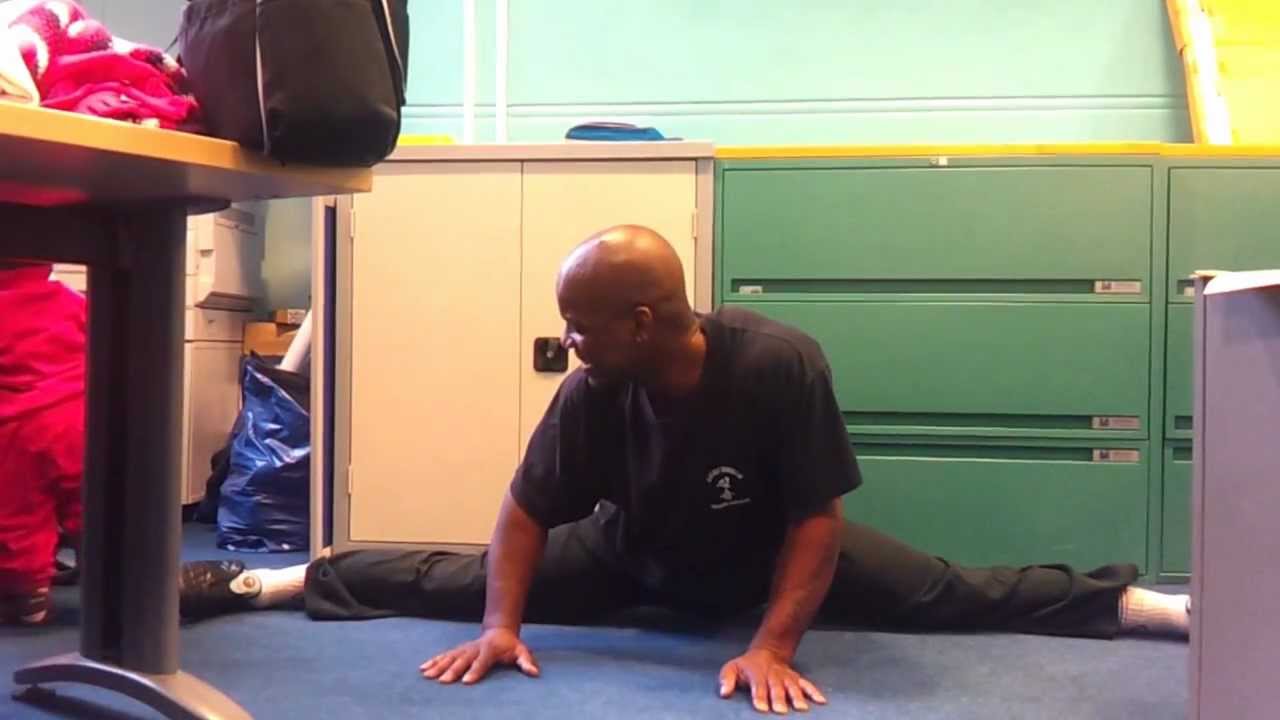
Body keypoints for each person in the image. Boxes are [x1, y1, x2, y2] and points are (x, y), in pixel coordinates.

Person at [179, 225, 1190, 714]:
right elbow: (525, 512)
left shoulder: (777, 365)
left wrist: (773, 643)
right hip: (634, 553)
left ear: (642, 321)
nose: (567, 342)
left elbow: (815, 518)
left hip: (769, 558)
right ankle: (272, 582)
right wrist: (500, 625)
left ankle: (1157, 608)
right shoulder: (593, 391)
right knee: (455, 579)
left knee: (957, 595)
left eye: (579, 325)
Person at [0, 261, 86, 625]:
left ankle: (28, 596)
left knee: (18, 514)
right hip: (79, 419)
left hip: (16, 430)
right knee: (91, 504)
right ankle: (113, 578)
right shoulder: (72, 301)